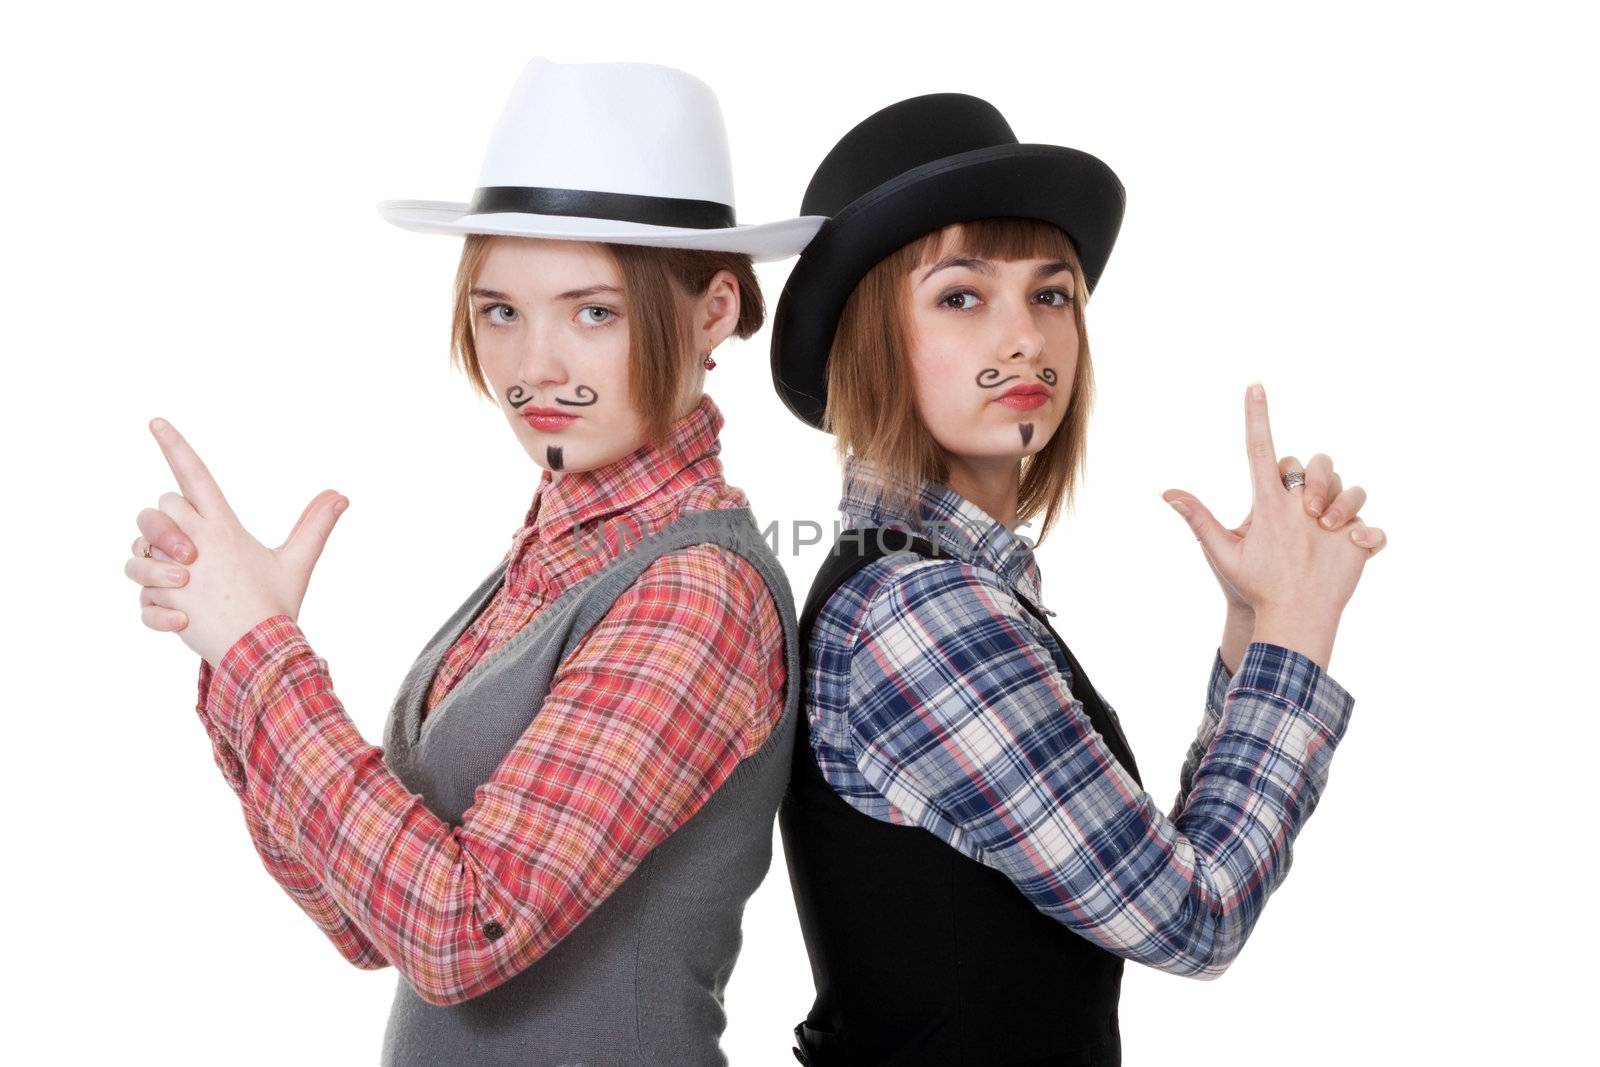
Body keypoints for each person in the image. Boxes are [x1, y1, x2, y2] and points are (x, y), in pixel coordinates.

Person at [125, 58, 824, 1066]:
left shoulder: (692, 590)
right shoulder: (555, 556)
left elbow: (463, 932)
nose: (533, 366)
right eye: (500, 309)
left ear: (714, 309)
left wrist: (261, 654)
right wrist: (237, 658)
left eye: (593, 310)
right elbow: (367, 919)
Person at [769, 93, 1387, 1066]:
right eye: (961, 295)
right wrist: (1296, 627)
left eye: (1050, 293)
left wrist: (1251, 620)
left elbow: (1150, 865)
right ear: (870, 338)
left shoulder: (928, 588)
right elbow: (1193, 915)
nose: (1025, 338)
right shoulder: (922, 609)